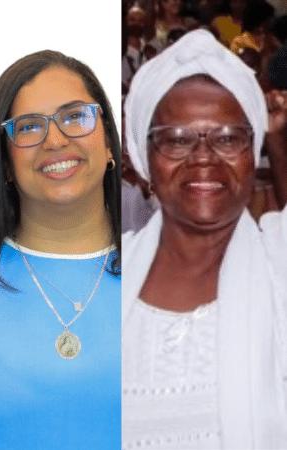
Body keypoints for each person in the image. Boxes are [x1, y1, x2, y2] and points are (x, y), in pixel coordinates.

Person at [123, 29, 287, 449]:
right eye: (176, 139)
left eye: (228, 137)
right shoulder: (99, 279)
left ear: (254, 153)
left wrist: (280, 141)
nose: (203, 157)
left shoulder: (278, 261)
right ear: (144, 157)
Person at [0, 50, 121, 449]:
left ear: (107, 139)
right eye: (28, 127)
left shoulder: (161, 269)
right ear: (5, 162)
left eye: (75, 116)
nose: (55, 140)